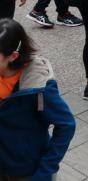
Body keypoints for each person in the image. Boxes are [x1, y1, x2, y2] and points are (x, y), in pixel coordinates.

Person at [0, 18, 76, 179]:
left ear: (13, 56)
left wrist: (45, 171)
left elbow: (66, 125)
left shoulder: (39, 87)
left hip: (27, 171)